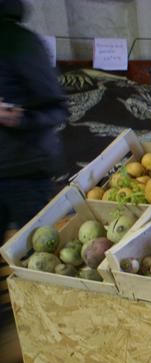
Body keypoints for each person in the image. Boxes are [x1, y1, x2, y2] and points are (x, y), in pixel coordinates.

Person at [0, 0, 69, 240]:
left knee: (37, 251)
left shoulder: (20, 41)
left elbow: (58, 108)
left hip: (25, 170)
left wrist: (18, 118)